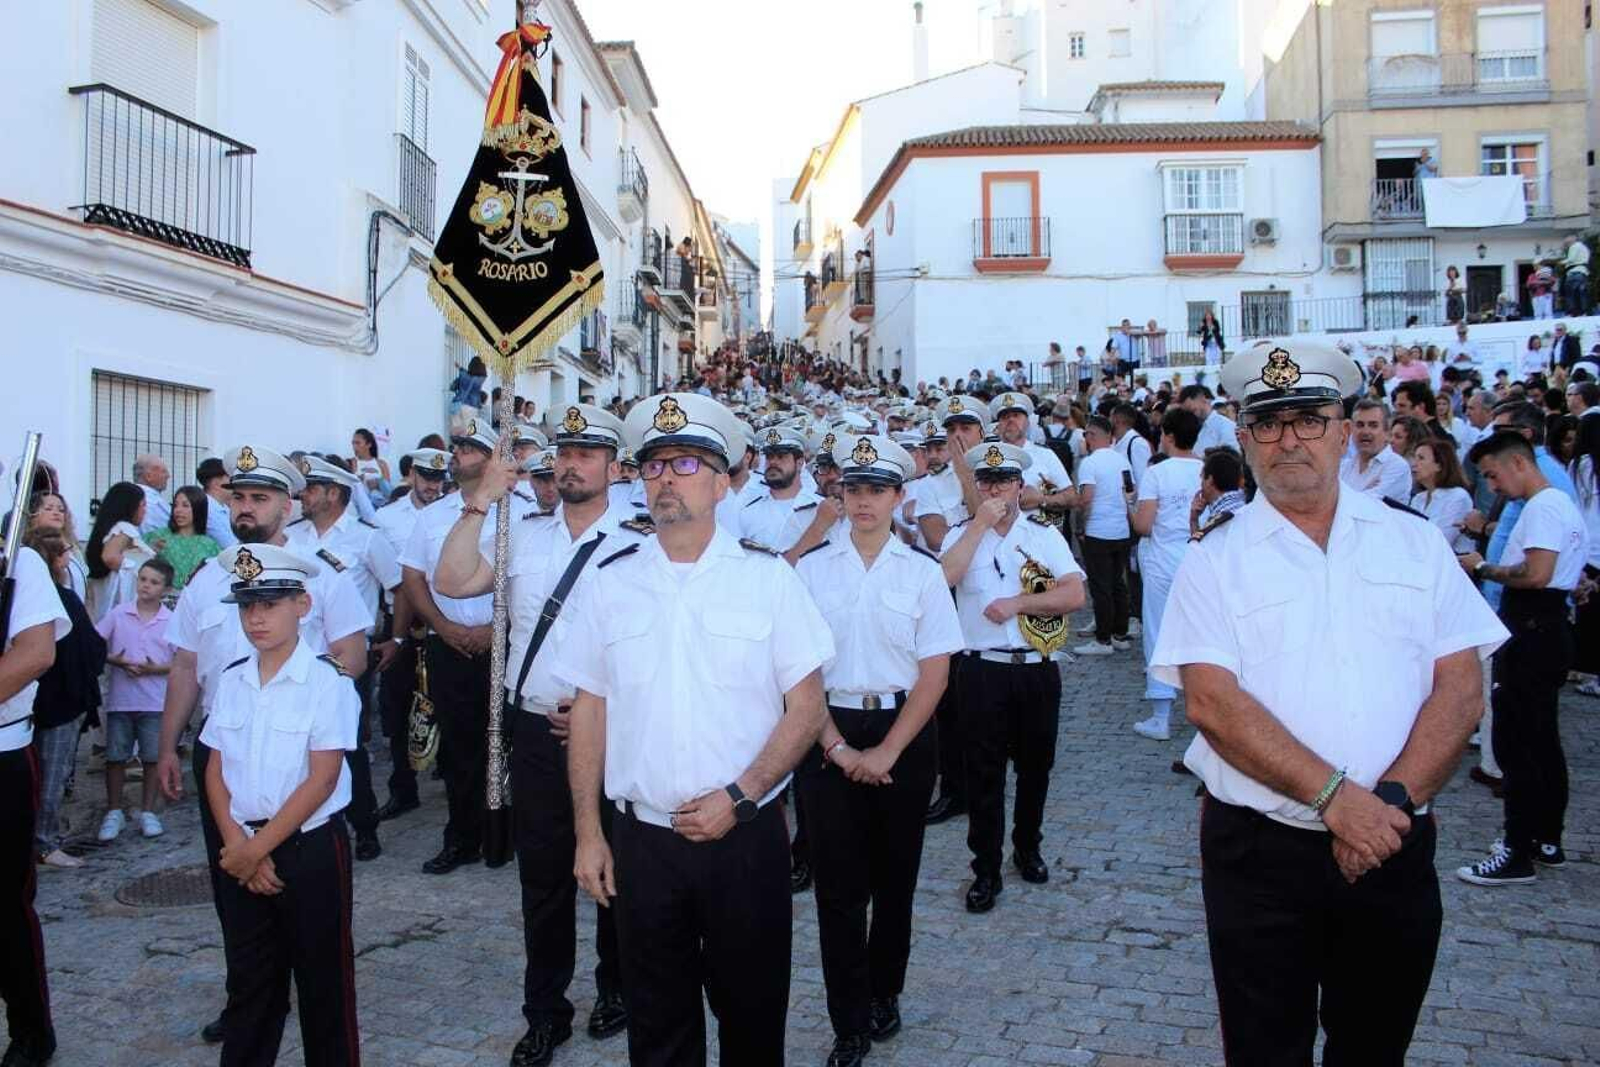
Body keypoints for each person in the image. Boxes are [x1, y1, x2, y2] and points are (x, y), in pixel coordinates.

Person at [1150, 338, 1507, 1065]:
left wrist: (1390, 805)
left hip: (1394, 839)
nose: (1290, 440)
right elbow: (1213, 704)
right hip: (1261, 855)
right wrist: (1339, 800)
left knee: (1374, 1048)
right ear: (1244, 438)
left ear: (1345, 428)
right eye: (1270, 422)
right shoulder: (1215, 559)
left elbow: (1461, 685)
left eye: (1309, 418)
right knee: (1265, 1051)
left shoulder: (1414, 545)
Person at [561, 393, 833, 1067]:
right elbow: (589, 709)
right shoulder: (609, 584)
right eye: (652, 464)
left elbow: (808, 708)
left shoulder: (767, 580)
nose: (665, 477)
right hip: (644, 841)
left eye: (684, 462)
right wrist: (590, 832)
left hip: (744, 837)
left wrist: (742, 794)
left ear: (721, 482)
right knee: (657, 1030)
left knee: (752, 1020)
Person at [433, 404, 649, 1066]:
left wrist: (600, 708)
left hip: (617, 728)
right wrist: (480, 502)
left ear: (615, 467)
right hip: (534, 727)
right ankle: (546, 1010)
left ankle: (619, 987)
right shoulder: (523, 532)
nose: (573, 461)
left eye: (589, 452)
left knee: (621, 867)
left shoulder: (642, 539)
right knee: (544, 878)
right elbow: (452, 581)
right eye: (566, 450)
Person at [154, 444, 368, 1045]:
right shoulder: (211, 578)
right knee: (242, 916)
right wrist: (169, 747)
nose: (246, 508)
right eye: (238, 497)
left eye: (261, 497)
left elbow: (349, 657)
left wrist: (304, 699)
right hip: (230, 760)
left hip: (300, 764)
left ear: (287, 503)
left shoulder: (317, 571)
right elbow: (185, 665)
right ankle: (248, 994)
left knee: (321, 964)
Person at [792, 433, 962, 1067]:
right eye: (852, 490)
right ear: (838, 495)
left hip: (905, 734)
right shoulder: (810, 570)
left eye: (876, 490)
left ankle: (884, 993)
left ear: (899, 496)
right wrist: (834, 746)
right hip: (825, 727)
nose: (863, 502)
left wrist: (888, 750)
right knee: (837, 891)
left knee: (895, 882)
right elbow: (800, 669)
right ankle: (848, 1021)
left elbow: (936, 671)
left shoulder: (920, 572)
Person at [200, 543, 360, 1065]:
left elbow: (322, 777)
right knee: (250, 985)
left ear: (303, 605)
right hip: (242, 845)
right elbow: (215, 768)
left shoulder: (326, 682)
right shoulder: (232, 679)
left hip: (308, 849)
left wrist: (257, 850)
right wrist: (236, 844)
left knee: (323, 985)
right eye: (247, 606)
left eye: (270, 604)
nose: (256, 618)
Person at [938, 442, 1084, 913]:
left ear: (1021, 486)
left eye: (1003, 481)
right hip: (981, 669)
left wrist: (1019, 605)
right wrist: (979, 525)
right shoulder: (962, 534)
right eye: (986, 481)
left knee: (1036, 768)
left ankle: (1027, 846)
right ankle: (985, 869)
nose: (995, 488)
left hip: (1036, 669)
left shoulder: (1043, 536)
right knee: (982, 774)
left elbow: (1073, 594)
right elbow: (945, 578)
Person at [1456, 431, 1589, 884]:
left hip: (1532, 630)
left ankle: (1517, 849)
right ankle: (1543, 839)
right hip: (1545, 629)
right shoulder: (1558, 506)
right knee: (1541, 743)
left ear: (1517, 463)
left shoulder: (1543, 507)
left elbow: (1536, 573)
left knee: (1517, 746)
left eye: (1493, 475)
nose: (1493, 487)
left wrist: (1481, 567)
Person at [399, 421, 501, 876]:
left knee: (501, 746)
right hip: (449, 645)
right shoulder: (433, 516)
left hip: (502, 645)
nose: (456, 454)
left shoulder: (515, 512)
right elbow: (413, 579)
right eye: (456, 446)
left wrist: (498, 629)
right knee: (459, 749)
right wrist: (441, 625)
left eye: (468, 448)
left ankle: (501, 834)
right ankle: (462, 837)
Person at [288, 454, 401, 862]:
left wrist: (396, 639)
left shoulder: (365, 538)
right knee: (298, 746)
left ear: (333, 494)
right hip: (293, 660)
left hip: (342, 661)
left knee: (346, 745)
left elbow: (396, 589)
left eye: (312, 488)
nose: (303, 495)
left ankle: (364, 826)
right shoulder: (292, 536)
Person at [0, 534, 70, 1065]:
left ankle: (30, 1029)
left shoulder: (16, 560)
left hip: (1, 748)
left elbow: (34, 653)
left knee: (4, 906)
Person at [371, 447, 449, 823]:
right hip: (399, 622)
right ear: (412, 476)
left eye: (437, 479)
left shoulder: (453, 514)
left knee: (446, 702)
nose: (432, 485)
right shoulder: (386, 518)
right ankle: (403, 788)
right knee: (398, 706)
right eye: (425, 477)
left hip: (441, 620)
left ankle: (449, 775)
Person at [25, 528, 104, 872]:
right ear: (57, 561)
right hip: (59, 703)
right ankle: (45, 843)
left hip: (34, 701)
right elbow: (90, 648)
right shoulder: (62, 599)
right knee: (51, 778)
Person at [1129, 408, 1203, 740]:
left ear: (1169, 436)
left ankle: (1161, 715)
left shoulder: (1157, 473)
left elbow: (1144, 526)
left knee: (1158, 632)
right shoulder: (1205, 469)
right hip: (1197, 558)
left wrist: (1131, 508)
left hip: (1162, 560)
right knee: (1200, 633)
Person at [94, 557, 175, 843]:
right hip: (121, 699)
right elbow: (95, 643)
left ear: (165, 589)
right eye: (143, 579)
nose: (146, 586)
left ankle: (148, 810)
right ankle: (113, 810)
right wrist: (115, 661)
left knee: (152, 757)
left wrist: (155, 669)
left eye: (154, 582)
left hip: (154, 701)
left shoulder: (170, 620)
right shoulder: (118, 613)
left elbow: (181, 661)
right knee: (116, 756)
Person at [1072, 416, 1134, 655]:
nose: (1085, 438)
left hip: (1098, 530)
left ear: (1094, 435)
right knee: (1118, 583)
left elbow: (1087, 497)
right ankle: (1119, 633)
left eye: (1087, 434)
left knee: (1101, 586)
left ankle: (1103, 639)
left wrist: (1080, 527)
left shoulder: (1090, 463)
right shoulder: (1122, 460)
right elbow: (1130, 490)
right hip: (1121, 529)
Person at [990, 392, 1076, 517]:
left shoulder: (1044, 454)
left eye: (1016, 415)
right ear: (998, 425)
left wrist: (1041, 500)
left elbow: (1071, 496)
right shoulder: (988, 456)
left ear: (1027, 422)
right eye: (1005, 417)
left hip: (1037, 533)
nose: (1010, 420)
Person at [84, 481, 155, 622]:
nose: (145, 510)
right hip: (119, 602)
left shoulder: (108, 529)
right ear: (130, 507)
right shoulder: (124, 528)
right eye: (143, 505)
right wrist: (138, 570)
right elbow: (110, 557)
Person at [148, 485, 222, 590]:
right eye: (176, 505)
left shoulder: (209, 545)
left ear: (198, 508)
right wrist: (151, 550)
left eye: (185, 506)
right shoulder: (159, 536)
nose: (178, 510)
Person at [1340, 400, 1413, 501]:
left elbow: (1368, 504)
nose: (1365, 432)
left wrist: (1344, 496)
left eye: (1373, 425)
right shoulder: (1344, 467)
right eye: (1360, 425)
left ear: (1387, 433)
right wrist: (1362, 493)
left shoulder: (1397, 467)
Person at [1409, 439, 1474, 552]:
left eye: (1421, 458)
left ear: (1439, 465)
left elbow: (1442, 540)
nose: (1414, 464)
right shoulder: (1418, 499)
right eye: (1414, 458)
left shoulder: (1457, 496)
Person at [27, 492, 88, 602]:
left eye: (61, 510)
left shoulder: (74, 548)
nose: (56, 513)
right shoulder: (31, 547)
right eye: (48, 509)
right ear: (33, 514)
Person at [195, 457, 240, 550]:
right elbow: (230, 545)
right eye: (230, 477)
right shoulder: (207, 509)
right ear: (216, 483)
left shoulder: (223, 507)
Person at [1182, 385, 1238, 454]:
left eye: (1192, 409)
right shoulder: (1194, 427)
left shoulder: (1225, 425)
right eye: (1188, 411)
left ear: (1202, 399)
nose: (1190, 413)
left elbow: (1232, 457)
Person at [350, 428, 392, 509]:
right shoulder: (352, 463)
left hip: (380, 506)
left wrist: (378, 484)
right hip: (361, 507)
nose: (354, 446)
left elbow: (388, 491)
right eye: (353, 443)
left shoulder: (381, 464)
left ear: (369, 444)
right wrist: (361, 482)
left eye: (358, 443)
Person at [132, 453, 172, 535]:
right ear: (148, 476)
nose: (168, 476)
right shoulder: (151, 502)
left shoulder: (128, 496)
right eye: (164, 471)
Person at [1560, 235, 1590, 317]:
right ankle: (1583, 312)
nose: (1566, 241)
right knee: (1582, 293)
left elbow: (1571, 259)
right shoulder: (1584, 247)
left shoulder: (1574, 246)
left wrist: (1561, 262)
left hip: (1574, 272)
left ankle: (1572, 313)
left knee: (1571, 294)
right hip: (1583, 272)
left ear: (1573, 239)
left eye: (1567, 239)